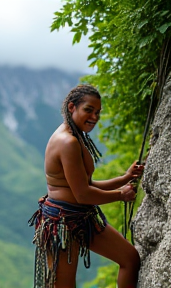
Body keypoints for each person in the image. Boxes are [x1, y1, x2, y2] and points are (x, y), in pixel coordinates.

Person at [28, 84, 144, 288]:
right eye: (88, 110)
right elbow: (83, 194)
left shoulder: (76, 135)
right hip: (62, 223)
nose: (94, 117)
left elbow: (86, 184)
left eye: (98, 112)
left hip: (79, 217)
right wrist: (120, 195)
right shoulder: (68, 142)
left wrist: (124, 178)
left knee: (130, 259)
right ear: (72, 107)